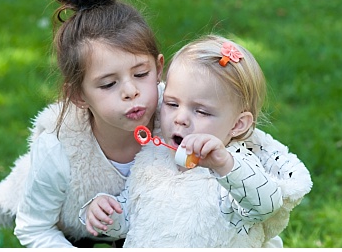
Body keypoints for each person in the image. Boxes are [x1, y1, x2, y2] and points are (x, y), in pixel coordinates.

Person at [0, 0, 164, 246]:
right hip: (70, 231)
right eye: (109, 83)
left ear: (159, 68)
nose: (130, 91)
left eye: (141, 74)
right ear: (78, 95)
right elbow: (34, 228)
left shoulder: (179, 114)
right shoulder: (59, 149)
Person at [80, 36, 311, 247]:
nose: (180, 119)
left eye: (201, 111)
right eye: (171, 104)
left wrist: (224, 165)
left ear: (237, 125)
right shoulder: (153, 158)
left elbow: (265, 206)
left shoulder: (235, 169)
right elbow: (133, 217)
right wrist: (108, 213)